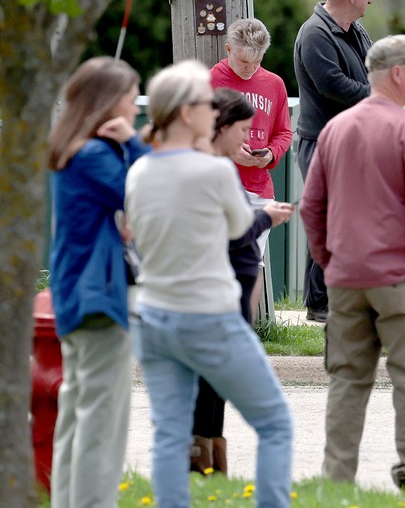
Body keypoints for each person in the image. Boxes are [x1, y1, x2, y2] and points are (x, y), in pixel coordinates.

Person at [125, 60, 293, 507]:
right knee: (274, 422)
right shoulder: (215, 172)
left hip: (152, 315)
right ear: (185, 113)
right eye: (204, 102)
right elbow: (241, 225)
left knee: (170, 433)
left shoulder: (140, 170)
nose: (212, 109)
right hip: (207, 316)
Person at [299, 34, 405, 493]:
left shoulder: (335, 129)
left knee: (347, 381)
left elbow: (311, 207)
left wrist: (329, 261)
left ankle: (337, 482)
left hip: (346, 277)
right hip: (403, 277)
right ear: (398, 74)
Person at [47, 56, 149, 507]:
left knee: (78, 415)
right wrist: (134, 145)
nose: (135, 109)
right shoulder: (93, 155)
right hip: (99, 297)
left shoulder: (74, 150)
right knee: (102, 421)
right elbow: (146, 189)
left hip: (78, 294)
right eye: (130, 98)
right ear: (109, 104)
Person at [189, 88, 295, 475]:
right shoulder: (212, 170)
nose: (247, 138)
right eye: (243, 129)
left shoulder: (210, 167)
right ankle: (202, 468)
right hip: (216, 301)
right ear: (222, 126)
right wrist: (267, 217)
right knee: (272, 418)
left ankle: (206, 469)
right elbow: (232, 233)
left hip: (222, 301)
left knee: (210, 393)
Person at [293, 0, 373, 322]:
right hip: (322, 142)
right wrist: (379, 96)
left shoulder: (356, 31)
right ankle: (320, 303)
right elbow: (332, 85)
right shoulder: (315, 33)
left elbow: (372, 69)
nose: (371, 0)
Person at [210, 18, 292, 320]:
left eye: (257, 61)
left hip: (259, 186)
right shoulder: (211, 81)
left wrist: (269, 154)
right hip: (220, 184)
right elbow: (198, 134)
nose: (249, 68)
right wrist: (232, 153)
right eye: (243, 61)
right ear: (229, 49)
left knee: (252, 262)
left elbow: (284, 132)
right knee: (218, 259)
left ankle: (247, 328)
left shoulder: (274, 84)